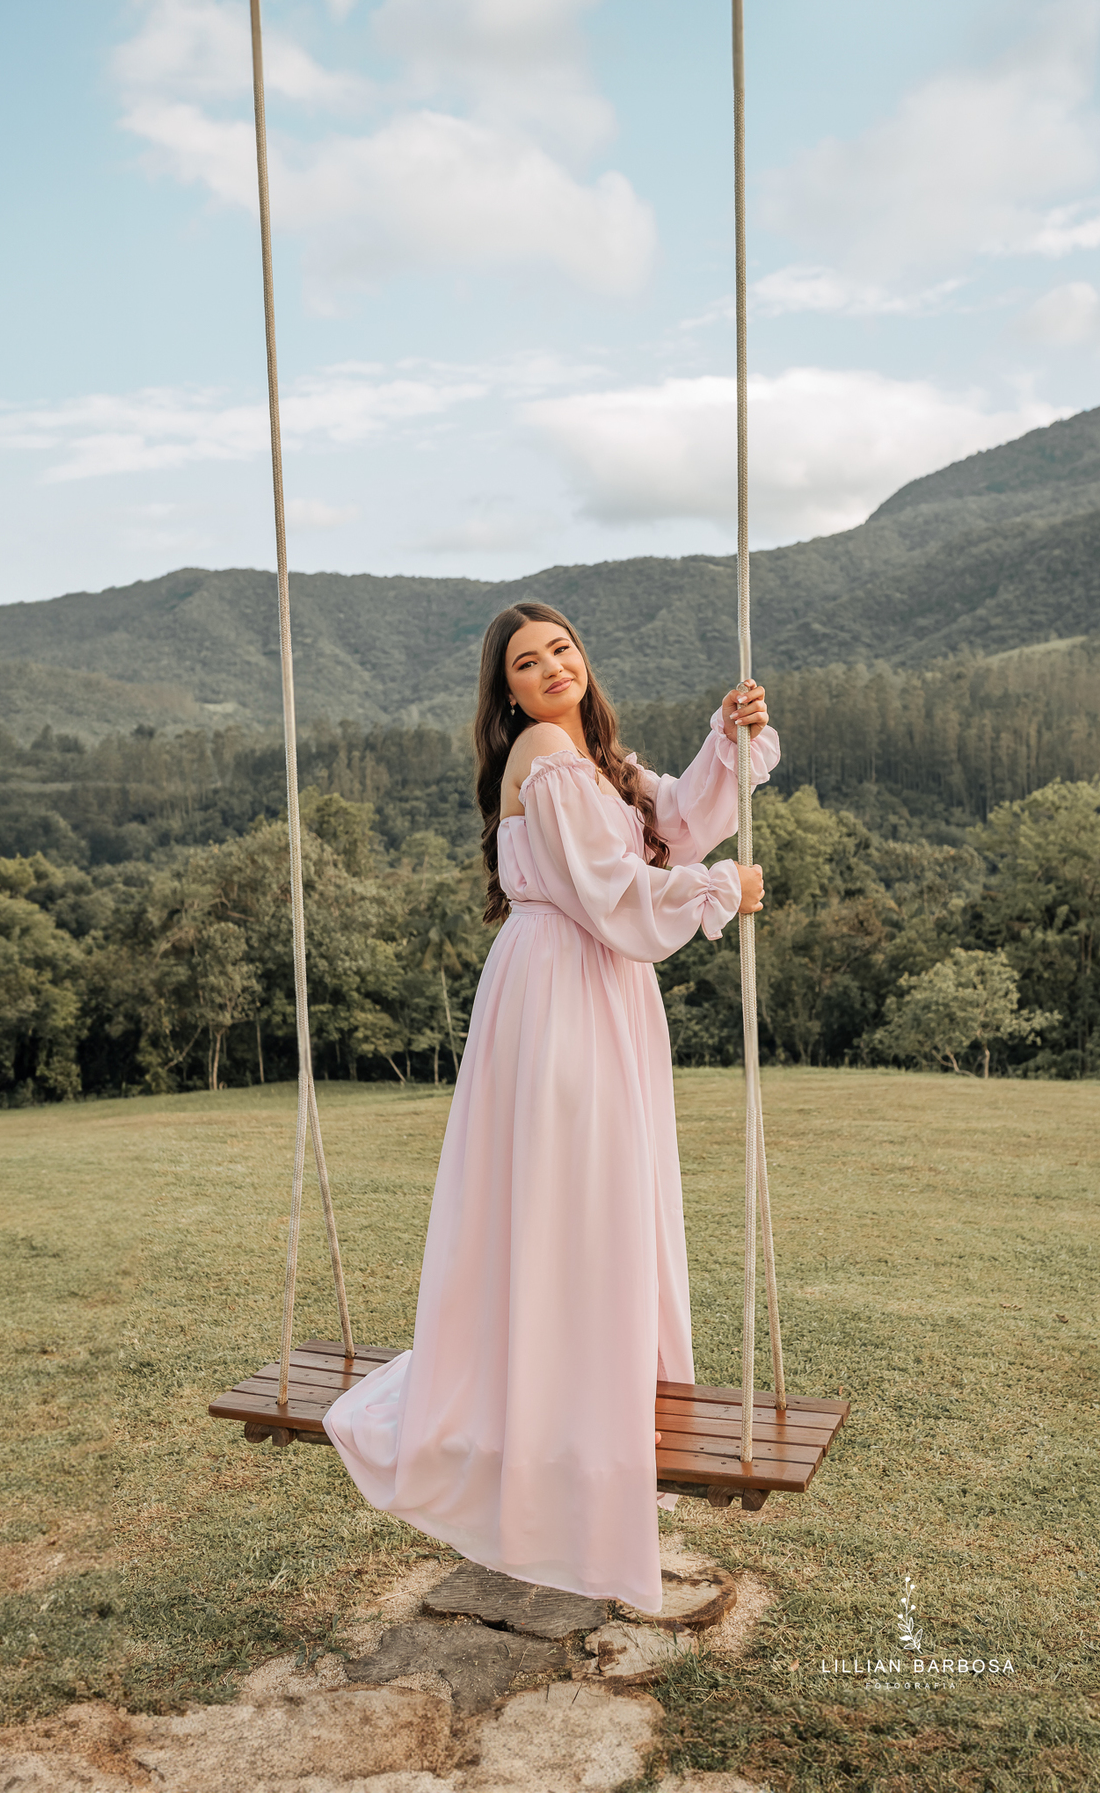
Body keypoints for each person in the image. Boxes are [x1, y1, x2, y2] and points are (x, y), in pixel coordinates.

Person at [324, 600, 778, 1613]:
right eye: (528, 665)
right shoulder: (548, 757)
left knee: (590, 1206)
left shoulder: (597, 759)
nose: (552, 669)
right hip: (567, 994)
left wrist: (728, 735)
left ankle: (584, 1429)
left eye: (563, 649)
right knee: (580, 1204)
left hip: (592, 986)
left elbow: (679, 819)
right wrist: (718, 894)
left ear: (584, 659)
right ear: (510, 693)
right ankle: (564, 1443)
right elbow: (615, 888)